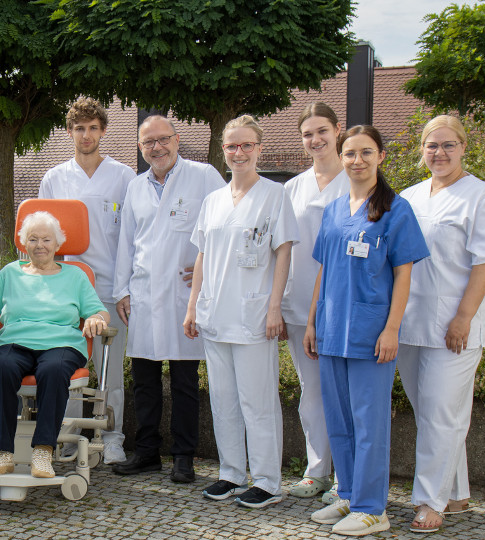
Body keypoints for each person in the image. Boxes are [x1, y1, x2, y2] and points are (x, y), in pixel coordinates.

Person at [304, 125, 430, 536]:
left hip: (370, 332)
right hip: (332, 329)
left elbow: (403, 275)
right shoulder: (336, 209)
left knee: (369, 422)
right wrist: (311, 323)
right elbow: (324, 270)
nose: (357, 161)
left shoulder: (397, 209)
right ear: (341, 159)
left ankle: (373, 508)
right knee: (338, 417)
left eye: (366, 153)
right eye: (350, 154)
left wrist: (391, 329)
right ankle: (349, 494)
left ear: (381, 157)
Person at [397, 115, 485, 534]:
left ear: (463, 147)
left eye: (448, 145)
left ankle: (430, 501)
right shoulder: (409, 196)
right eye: (431, 146)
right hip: (411, 322)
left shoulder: (481, 195)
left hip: (455, 325)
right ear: (422, 150)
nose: (439, 153)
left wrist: (463, 318)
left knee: (443, 414)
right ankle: (457, 491)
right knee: (431, 413)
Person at [183, 115, 298, 509]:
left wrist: (274, 307)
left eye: (247, 145)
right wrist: (193, 305)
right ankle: (231, 473)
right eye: (232, 146)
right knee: (223, 400)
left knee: (258, 401)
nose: (239, 152)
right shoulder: (213, 199)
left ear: (259, 149)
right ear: (224, 150)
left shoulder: (274, 195)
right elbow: (201, 255)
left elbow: (283, 252)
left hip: (253, 315)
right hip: (215, 314)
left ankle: (267, 480)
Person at [112, 115, 226, 482]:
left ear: (177, 140)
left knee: (184, 380)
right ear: (141, 148)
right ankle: (146, 452)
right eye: (148, 143)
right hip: (143, 294)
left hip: (184, 294)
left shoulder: (204, 176)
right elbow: (126, 242)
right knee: (143, 380)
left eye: (163, 140)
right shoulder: (135, 186)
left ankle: (183, 456)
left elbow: (225, 223)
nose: (156, 148)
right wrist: (122, 290)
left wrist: (209, 265)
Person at [0, 211, 109, 478]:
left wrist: (97, 319)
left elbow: (98, 311)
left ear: (57, 244)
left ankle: (43, 451)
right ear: (23, 243)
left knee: (53, 370)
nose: (40, 245)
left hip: (61, 344)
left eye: (46, 239)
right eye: (33, 239)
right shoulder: (10, 273)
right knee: (1, 368)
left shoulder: (75, 276)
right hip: (16, 342)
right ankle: (3, 453)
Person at [38, 97, 135, 465]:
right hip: (68, 289)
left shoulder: (124, 176)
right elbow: (42, 238)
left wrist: (125, 288)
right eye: (79, 128)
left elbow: (130, 236)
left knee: (110, 372)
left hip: (110, 287)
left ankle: (112, 438)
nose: (86, 134)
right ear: (70, 132)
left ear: (103, 131)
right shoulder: (55, 178)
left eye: (93, 127)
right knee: (69, 367)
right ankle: (68, 435)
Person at [282, 103, 349, 501]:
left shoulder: (357, 179)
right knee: (312, 391)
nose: (315, 140)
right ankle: (316, 470)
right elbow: (284, 248)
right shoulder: (294, 187)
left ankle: (347, 477)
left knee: (344, 390)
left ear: (337, 131)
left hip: (343, 304)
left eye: (322, 131)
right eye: (308, 134)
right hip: (299, 303)